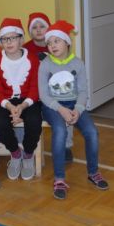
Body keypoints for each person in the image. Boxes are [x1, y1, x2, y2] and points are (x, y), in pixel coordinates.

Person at [38, 20, 109, 200]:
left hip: (74, 104)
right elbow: (44, 95)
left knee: (92, 132)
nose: (52, 46)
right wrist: (61, 110)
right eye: (49, 43)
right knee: (60, 130)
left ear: (67, 42)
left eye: (57, 41)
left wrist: (77, 109)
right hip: (52, 106)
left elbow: (83, 91)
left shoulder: (78, 63)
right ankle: (59, 179)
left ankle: (93, 172)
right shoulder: (45, 64)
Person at [0, 18, 42, 181]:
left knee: (34, 121)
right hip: (5, 101)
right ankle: (15, 153)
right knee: (0, 123)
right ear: (1, 42)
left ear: (21, 40)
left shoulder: (32, 59)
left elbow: (35, 88)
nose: (9, 42)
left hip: (28, 100)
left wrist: (23, 106)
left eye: (13, 38)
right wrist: (10, 107)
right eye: (5, 39)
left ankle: (28, 153)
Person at [23, 12, 76, 163]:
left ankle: (65, 146)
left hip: (55, 93)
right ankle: (24, 146)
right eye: (34, 27)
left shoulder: (57, 46)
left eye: (42, 26)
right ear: (30, 31)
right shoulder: (26, 49)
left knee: (67, 105)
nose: (39, 30)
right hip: (34, 94)